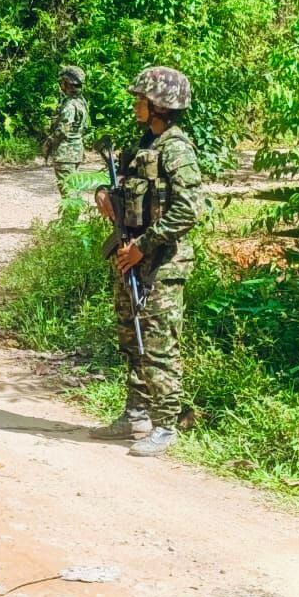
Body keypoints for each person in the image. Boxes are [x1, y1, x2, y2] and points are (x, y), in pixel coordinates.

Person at [91, 66, 203, 457]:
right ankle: (135, 415)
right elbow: (122, 185)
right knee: (131, 339)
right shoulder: (144, 144)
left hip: (161, 265)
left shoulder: (176, 149)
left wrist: (144, 245)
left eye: (141, 99)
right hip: (132, 259)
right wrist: (103, 194)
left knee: (157, 346)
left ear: (160, 105)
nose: (136, 105)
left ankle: (166, 425)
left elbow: (189, 209)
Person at [42, 65, 89, 195]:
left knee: (68, 191)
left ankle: (72, 209)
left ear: (67, 83)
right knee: (74, 189)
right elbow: (84, 127)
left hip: (65, 154)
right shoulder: (81, 102)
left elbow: (63, 129)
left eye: (63, 82)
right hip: (76, 152)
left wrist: (48, 143)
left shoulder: (69, 105)